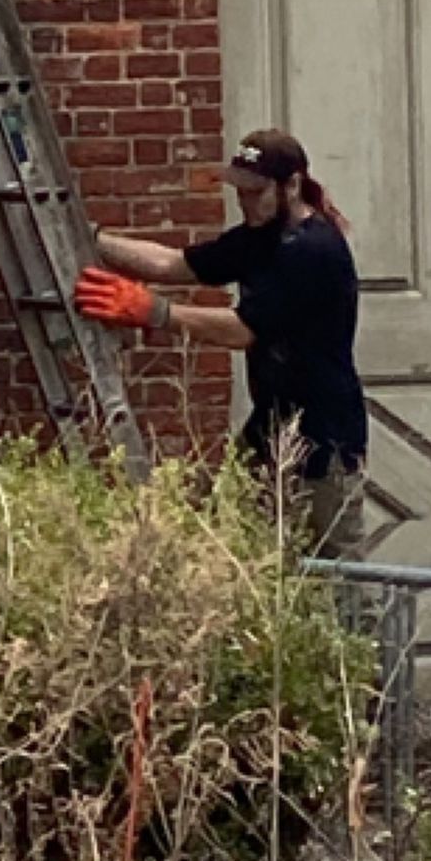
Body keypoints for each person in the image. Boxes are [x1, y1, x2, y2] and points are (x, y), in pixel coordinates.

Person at [74, 130, 371, 552]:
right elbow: (173, 264)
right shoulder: (259, 237)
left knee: (338, 572)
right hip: (270, 429)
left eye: (255, 192)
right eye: (240, 191)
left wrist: (153, 311)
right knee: (235, 546)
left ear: (291, 185)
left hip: (324, 440)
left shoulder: (313, 250)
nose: (245, 202)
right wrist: (91, 238)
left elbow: (241, 330)